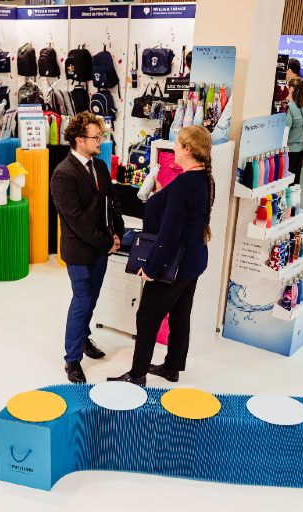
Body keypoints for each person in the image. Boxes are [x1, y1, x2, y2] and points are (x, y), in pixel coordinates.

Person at [109, 126, 214, 386]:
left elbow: (169, 235)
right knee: (181, 314)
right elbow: (184, 215)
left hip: (174, 266)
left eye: (177, 145)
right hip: (194, 262)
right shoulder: (204, 179)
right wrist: (162, 192)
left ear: (188, 149)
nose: (174, 149)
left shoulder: (182, 186)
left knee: (146, 316)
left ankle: (136, 375)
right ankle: (172, 366)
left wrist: (152, 269)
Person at [49, 112, 124, 384]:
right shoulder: (63, 174)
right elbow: (77, 220)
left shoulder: (100, 167)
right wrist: (107, 242)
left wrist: (118, 232)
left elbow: (112, 202)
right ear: (79, 140)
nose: (101, 141)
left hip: (101, 249)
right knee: (81, 301)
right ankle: (72, 359)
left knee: (91, 299)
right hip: (79, 251)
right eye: (96, 137)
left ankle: (82, 337)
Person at [286, 77, 303, 185]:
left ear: (291, 89)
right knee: (296, 180)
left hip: (289, 150)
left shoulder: (289, 107)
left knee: (286, 180)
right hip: (301, 149)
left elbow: (285, 130)